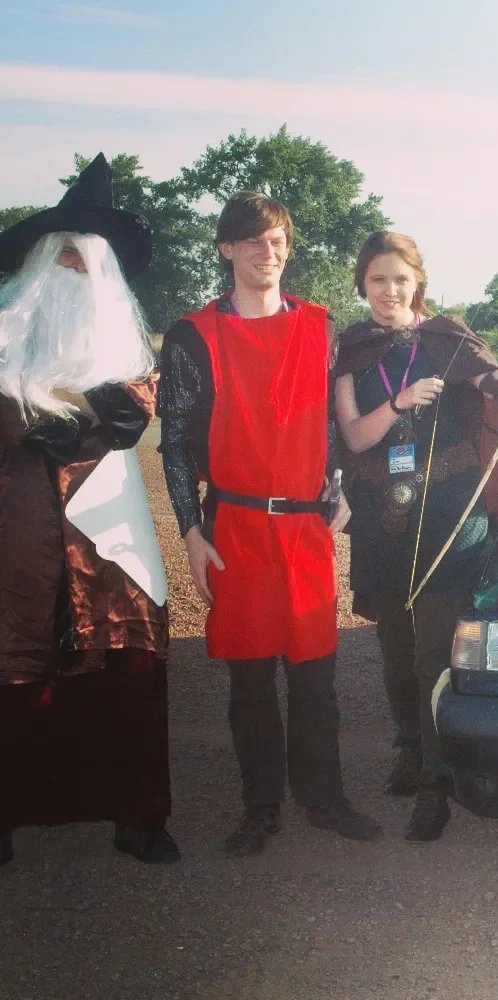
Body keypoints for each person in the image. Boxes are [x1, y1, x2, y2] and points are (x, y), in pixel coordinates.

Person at [158, 191, 381, 857]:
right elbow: (173, 442)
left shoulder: (320, 326)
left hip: (304, 530)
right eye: (254, 240)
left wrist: (337, 483)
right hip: (238, 528)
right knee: (251, 682)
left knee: (317, 677)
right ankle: (261, 806)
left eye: (279, 239)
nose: (269, 252)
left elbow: (330, 422)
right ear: (227, 249)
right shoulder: (193, 334)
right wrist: (191, 531)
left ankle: (324, 796)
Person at [0, 153, 178, 865]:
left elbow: (126, 414)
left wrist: (57, 412)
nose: (76, 275)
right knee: (12, 665)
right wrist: (51, 414)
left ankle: (137, 817)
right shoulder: (5, 339)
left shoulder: (127, 350)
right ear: (42, 266)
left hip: (111, 538)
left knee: (126, 661)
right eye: (64, 261)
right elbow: (25, 423)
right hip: (18, 537)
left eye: (89, 264)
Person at [335, 231, 498, 841]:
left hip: (451, 513)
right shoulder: (352, 349)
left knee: (433, 651)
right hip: (383, 517)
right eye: (377, 280)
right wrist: (399, 402)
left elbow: (490, 379)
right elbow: (353, 437)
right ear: (363, 284)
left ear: (417, 282)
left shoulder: (447, 341)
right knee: (396, 646)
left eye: (400, 279)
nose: (390, 291)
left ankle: (435, 780)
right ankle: (407, 745)